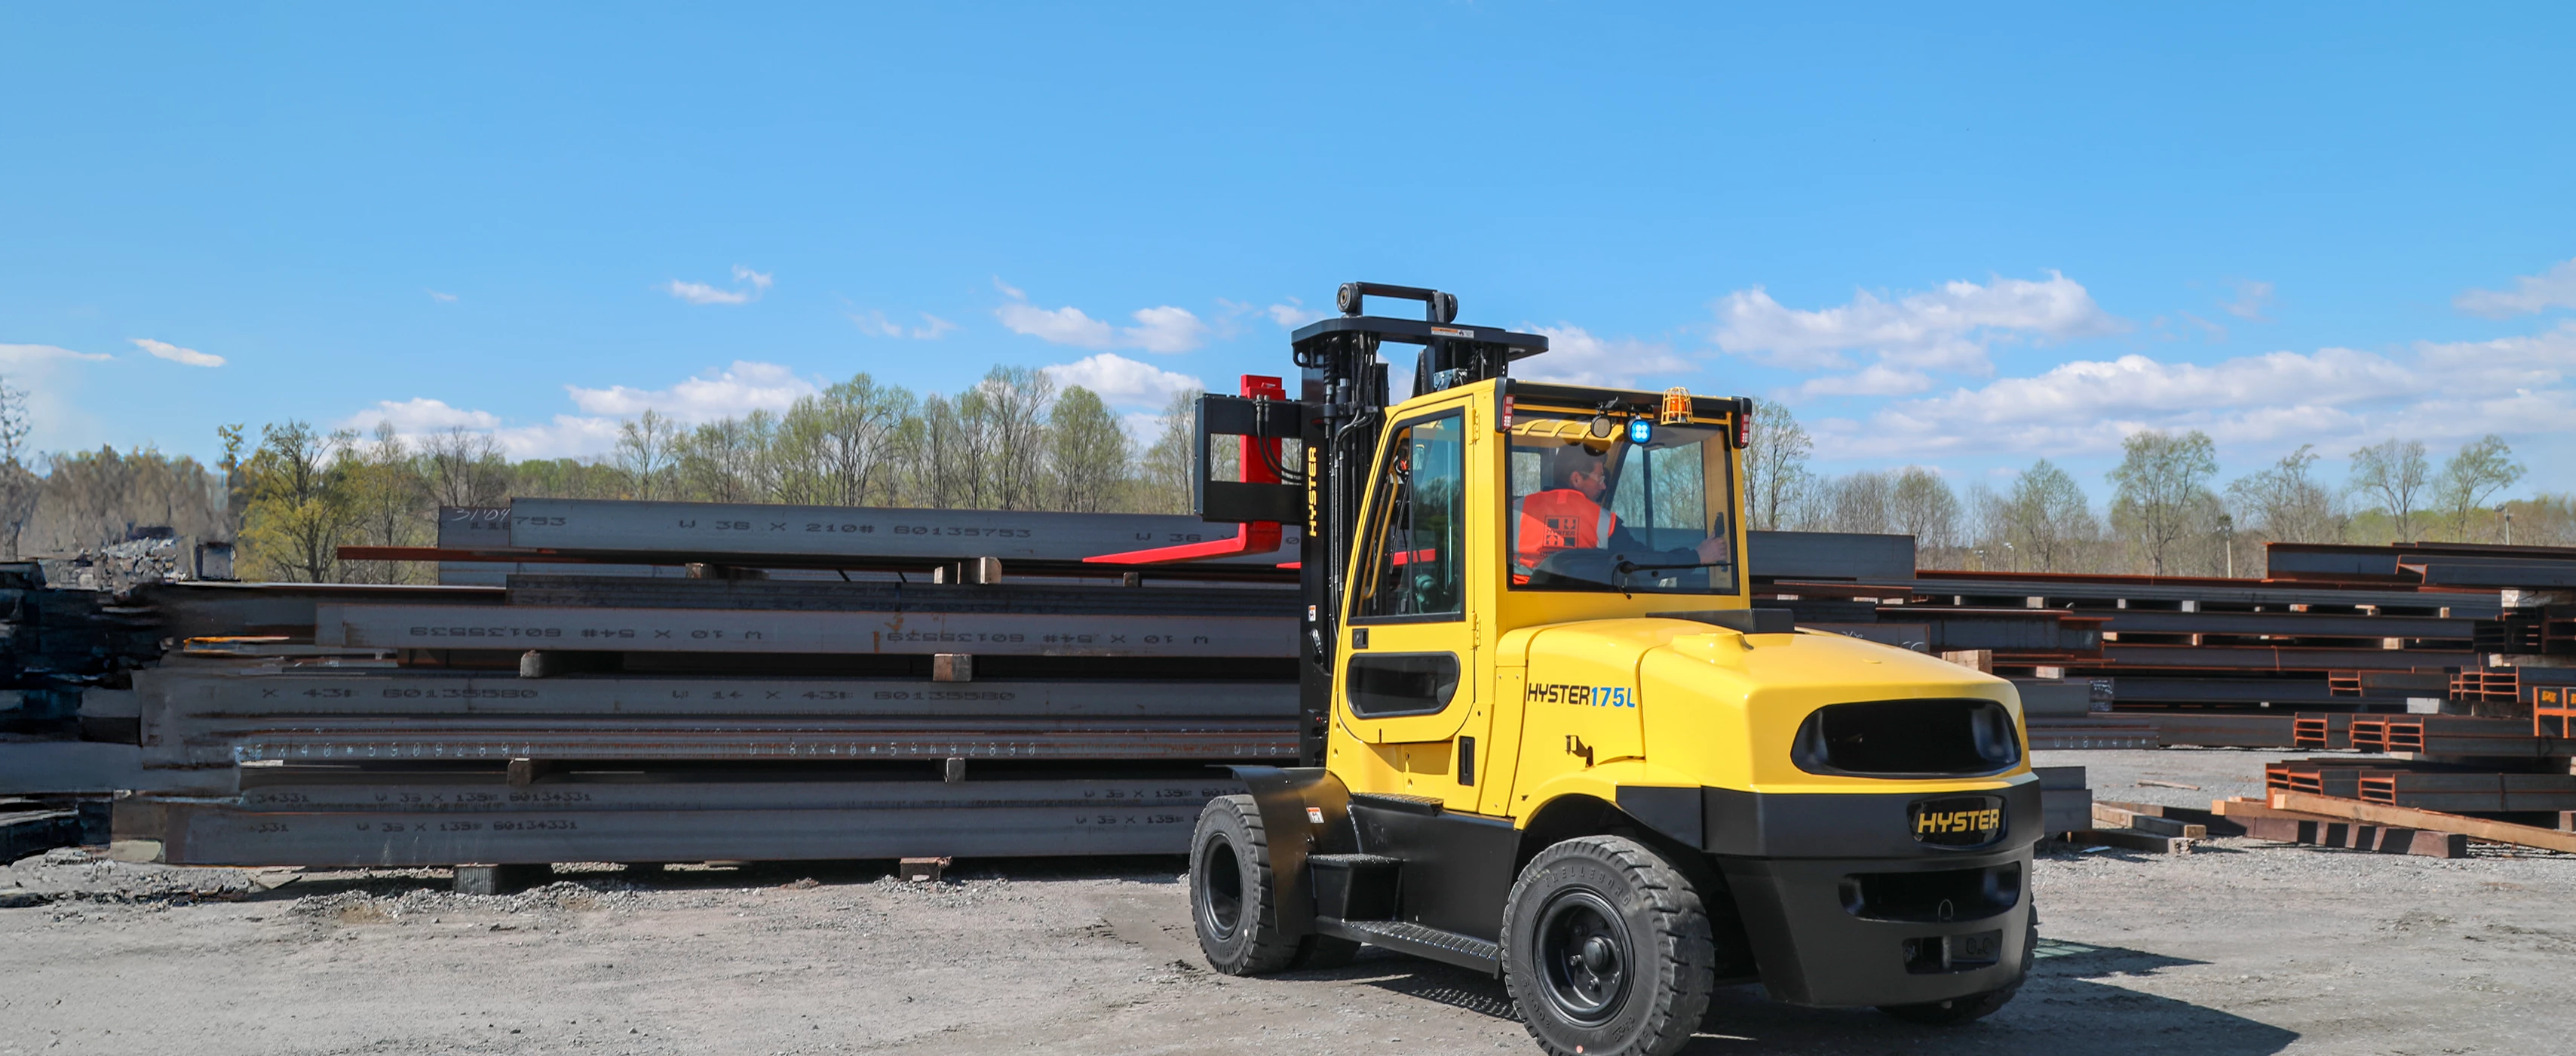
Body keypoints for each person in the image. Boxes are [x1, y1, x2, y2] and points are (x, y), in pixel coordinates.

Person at [1512, 444, 1730, 583]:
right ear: (1577, 479)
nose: (1604, 487)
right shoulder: (1602, 522)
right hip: (1582, 614)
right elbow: (1644, 564)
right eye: (1600, 478)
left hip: (1521, 609)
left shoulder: (1514, 511)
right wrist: (1698, 556)